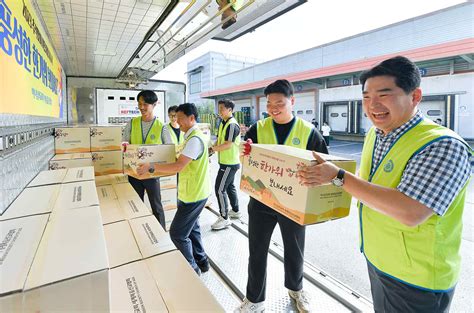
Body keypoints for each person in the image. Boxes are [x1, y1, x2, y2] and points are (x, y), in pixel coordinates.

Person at [297, 56, 473, 313]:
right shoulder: (375, 133)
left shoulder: (443, 145)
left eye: (384, 94)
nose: (373, 105)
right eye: (366, 97)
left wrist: (338, 177)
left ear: (415, 96)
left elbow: (411, 211)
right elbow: (371, 184)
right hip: (378, 260)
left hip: (417, 279)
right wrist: (328, 171)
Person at [237, 79, 328, 313]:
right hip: (261, 201)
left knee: (295, 251)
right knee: (256, 251)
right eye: (269, 104)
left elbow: (326, 167)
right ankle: (254, 300)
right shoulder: (258, 128)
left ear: (292, 102)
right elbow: (247, 161)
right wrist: (243, 153)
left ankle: (296, 292)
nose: (274, 108)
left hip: (294, 205)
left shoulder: (309, 132)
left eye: (279, 102)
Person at [137, 103, 211, 275]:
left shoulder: (194, 140)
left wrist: (152, 167)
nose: (177, 121)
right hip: (193, 191)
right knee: (193, 229)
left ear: (191, 118)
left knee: (177, 234)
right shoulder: (191, 136)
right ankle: (202, 262)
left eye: (180, 118)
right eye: (175, 117)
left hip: (194, 194)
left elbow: (178, 166)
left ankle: (192, 269)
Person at [122, 90, 173, 229]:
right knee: (135, 205)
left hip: (152, 173)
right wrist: (125, 148)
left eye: (145, 104)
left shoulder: (161, 127)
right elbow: (124, 142)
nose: (142, 107)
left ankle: (161, 234)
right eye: (139, 104)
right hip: (134, 173)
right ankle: (139, 232)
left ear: (154, 104)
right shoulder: (132, 123)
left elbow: (169, 149)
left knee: (156, 206)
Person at [210, 99, 242, 230]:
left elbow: (228, 144)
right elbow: (220, 139)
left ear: (230, 110)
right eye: (219, 109)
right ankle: (235, 211)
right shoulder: (223, 123)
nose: (220, 111)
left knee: (219, 189)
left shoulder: (232, 125)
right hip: (226, 162)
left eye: (222, 109)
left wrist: (212, 149)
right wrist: (212, 148)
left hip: (229, 163)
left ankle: (224, 218)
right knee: (229, 187)